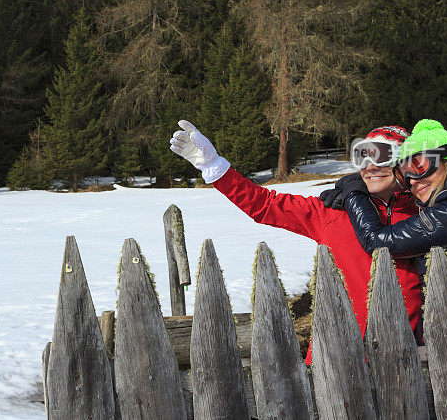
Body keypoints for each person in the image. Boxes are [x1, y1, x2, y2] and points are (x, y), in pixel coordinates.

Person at [170, 120, 423, 363]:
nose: (371, 167)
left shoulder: (428, 214)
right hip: (334, 358)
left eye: (384, 157)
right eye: (364, 157)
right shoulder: (332, 212)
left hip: (403, 357)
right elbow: (264, 204)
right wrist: (215, 167)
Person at [322, 119, 447, 334]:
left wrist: (355, 195)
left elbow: (378, 242)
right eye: (405, 170)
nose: (413, 179)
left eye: (420, 165)